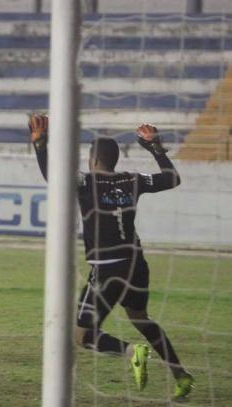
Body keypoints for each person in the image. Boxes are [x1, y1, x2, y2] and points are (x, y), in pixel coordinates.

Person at [29, 114, 194, 400]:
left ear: (93, 159)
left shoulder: (85, 181)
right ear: (114, 159)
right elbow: (172, 178)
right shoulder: (132, 179)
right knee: (141, 318)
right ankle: (181, 375)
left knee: (82, 336)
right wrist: (155, 148)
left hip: (108, 268)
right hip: (136, 264)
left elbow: (51, 177)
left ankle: (132, 352)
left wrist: (40, 144)